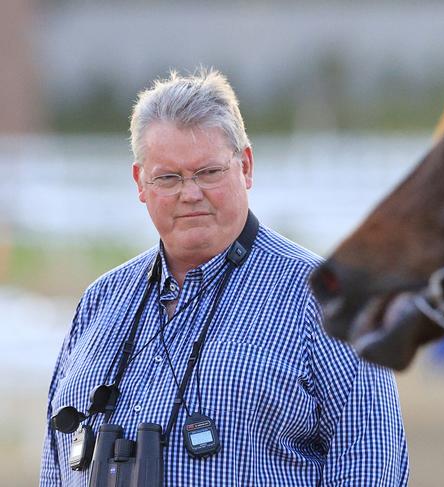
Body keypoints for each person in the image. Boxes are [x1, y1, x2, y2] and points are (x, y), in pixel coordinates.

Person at [39, 69, 409, 486]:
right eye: (168, 177)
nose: (190, 193)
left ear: (245, 166)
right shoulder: (100, 301)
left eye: (208, 172)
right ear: (141, 183)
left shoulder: (326, 298)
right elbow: (55, 465)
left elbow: (371, 466)